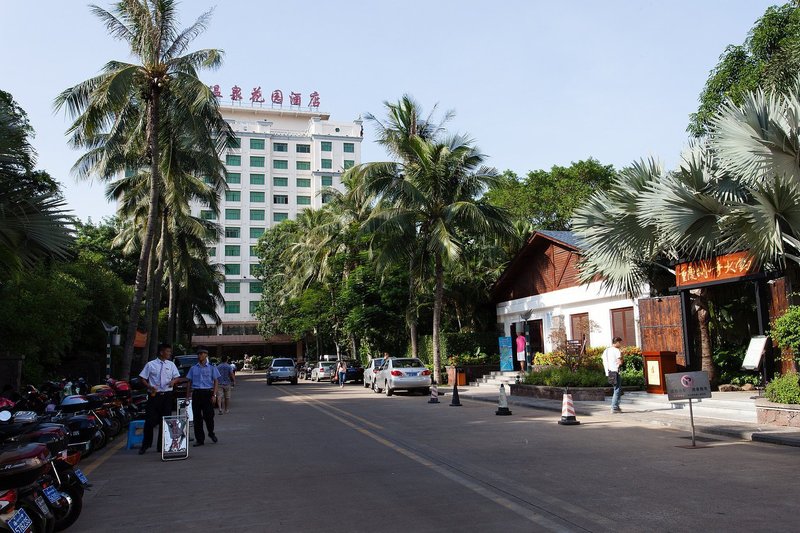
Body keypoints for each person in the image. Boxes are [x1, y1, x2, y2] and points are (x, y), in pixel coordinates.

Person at [138, 343, 181, 455]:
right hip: (154, 395)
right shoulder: (150, 364)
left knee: (165, 420)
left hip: (166, 396)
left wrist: (173, 381)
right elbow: (142, 378)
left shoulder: (171, 364)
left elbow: (177, 377)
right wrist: (149, 386)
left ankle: (161, 445)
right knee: (149, 421)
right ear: (161, 352)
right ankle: (145, 445)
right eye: (167, 351)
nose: (169, 353)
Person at [186, 347, 220, 446]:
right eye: (198, 354)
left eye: (202, 354)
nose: (199, 355)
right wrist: (187, 396)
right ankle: (200, 439)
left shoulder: (212, 367)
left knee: (209, 416)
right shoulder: (193, 368)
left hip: (207, 393)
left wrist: (214, 394)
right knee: (197, 418)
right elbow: (189, 382)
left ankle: (211, 433)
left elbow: (216, 381)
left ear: (206, 355)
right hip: (196, 394)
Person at [602, 337, 624, 413]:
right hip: (615, 371)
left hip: (609, 372)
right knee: (617, 389)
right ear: (617, 342)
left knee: (615, 389)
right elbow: (620, 363)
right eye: (620, 342)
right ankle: (614, 407)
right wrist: (622, 355)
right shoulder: (617, 350)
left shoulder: (606, 350)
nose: (620, 344)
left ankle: (616, 406)